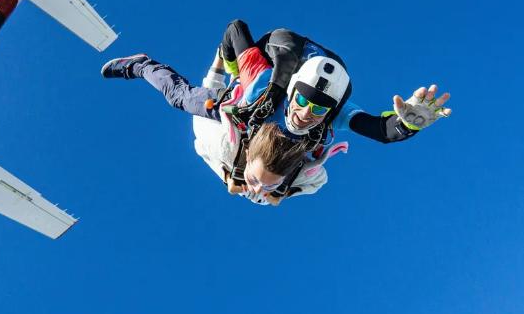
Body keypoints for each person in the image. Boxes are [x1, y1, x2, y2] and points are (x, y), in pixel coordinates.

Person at [101, 20, 451, 205]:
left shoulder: (334, 112)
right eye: (302, 102)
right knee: (184, 99)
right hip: (257, 80)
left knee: (264, 187)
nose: (306, 114)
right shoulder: (257, 85)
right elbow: (236, 28)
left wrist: (407, 124)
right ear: (292, 91)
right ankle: (142, 64)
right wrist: (228, 66)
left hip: (281, 98)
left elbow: (379, 130)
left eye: (318, 109)